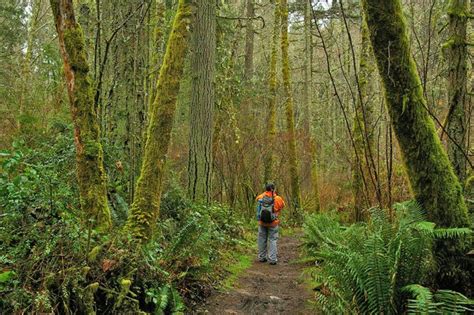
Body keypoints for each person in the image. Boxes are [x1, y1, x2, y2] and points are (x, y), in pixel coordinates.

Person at [255, 183, 285, 265]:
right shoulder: (278, 198)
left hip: (262, 222)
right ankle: (272, 259)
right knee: (272, 239)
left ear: (266, 189)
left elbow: (257, 199)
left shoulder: (261, 197)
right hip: (273, 223)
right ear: (274, 189)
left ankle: (262, 257)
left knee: (261, 239)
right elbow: (282, 205)